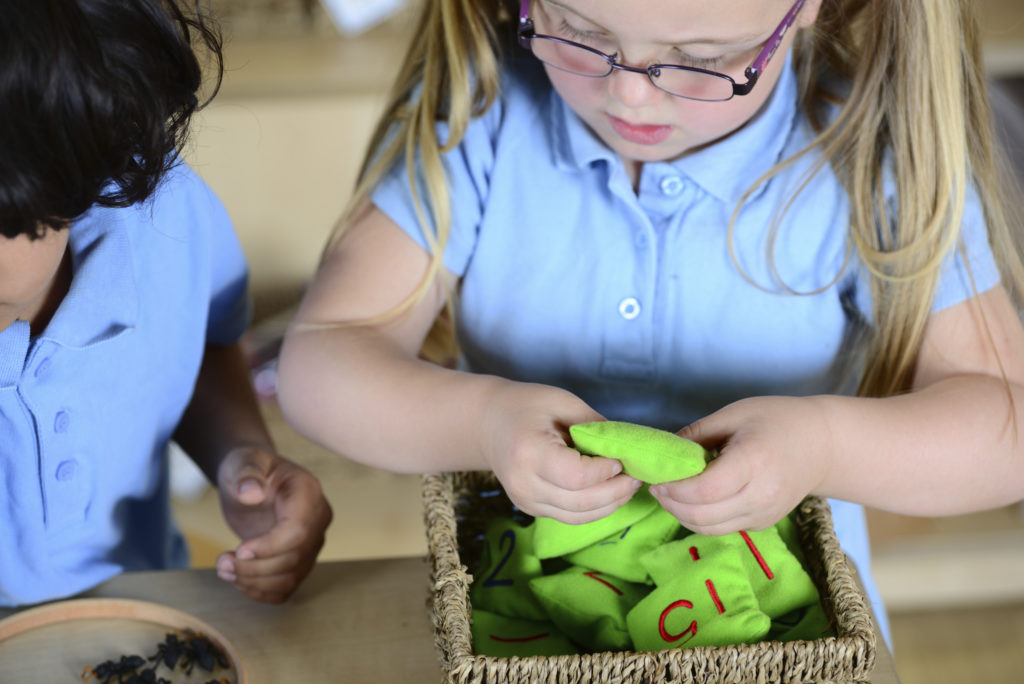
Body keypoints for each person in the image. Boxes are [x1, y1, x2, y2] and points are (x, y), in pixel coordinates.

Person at [276, 0, 1024, 641]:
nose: (632, 99)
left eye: (704, 59)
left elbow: (1006, 428)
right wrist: (484, 422)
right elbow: (321, 362)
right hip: (526, 616)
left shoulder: (868, 153)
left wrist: (823, 447)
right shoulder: (484, 113)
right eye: (579, 32)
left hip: (781, 628)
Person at [0, 0, 332, 607]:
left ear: (74, 170)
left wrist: (243, 460)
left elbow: (194, 345)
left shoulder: (165, 218)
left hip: (141, 605)